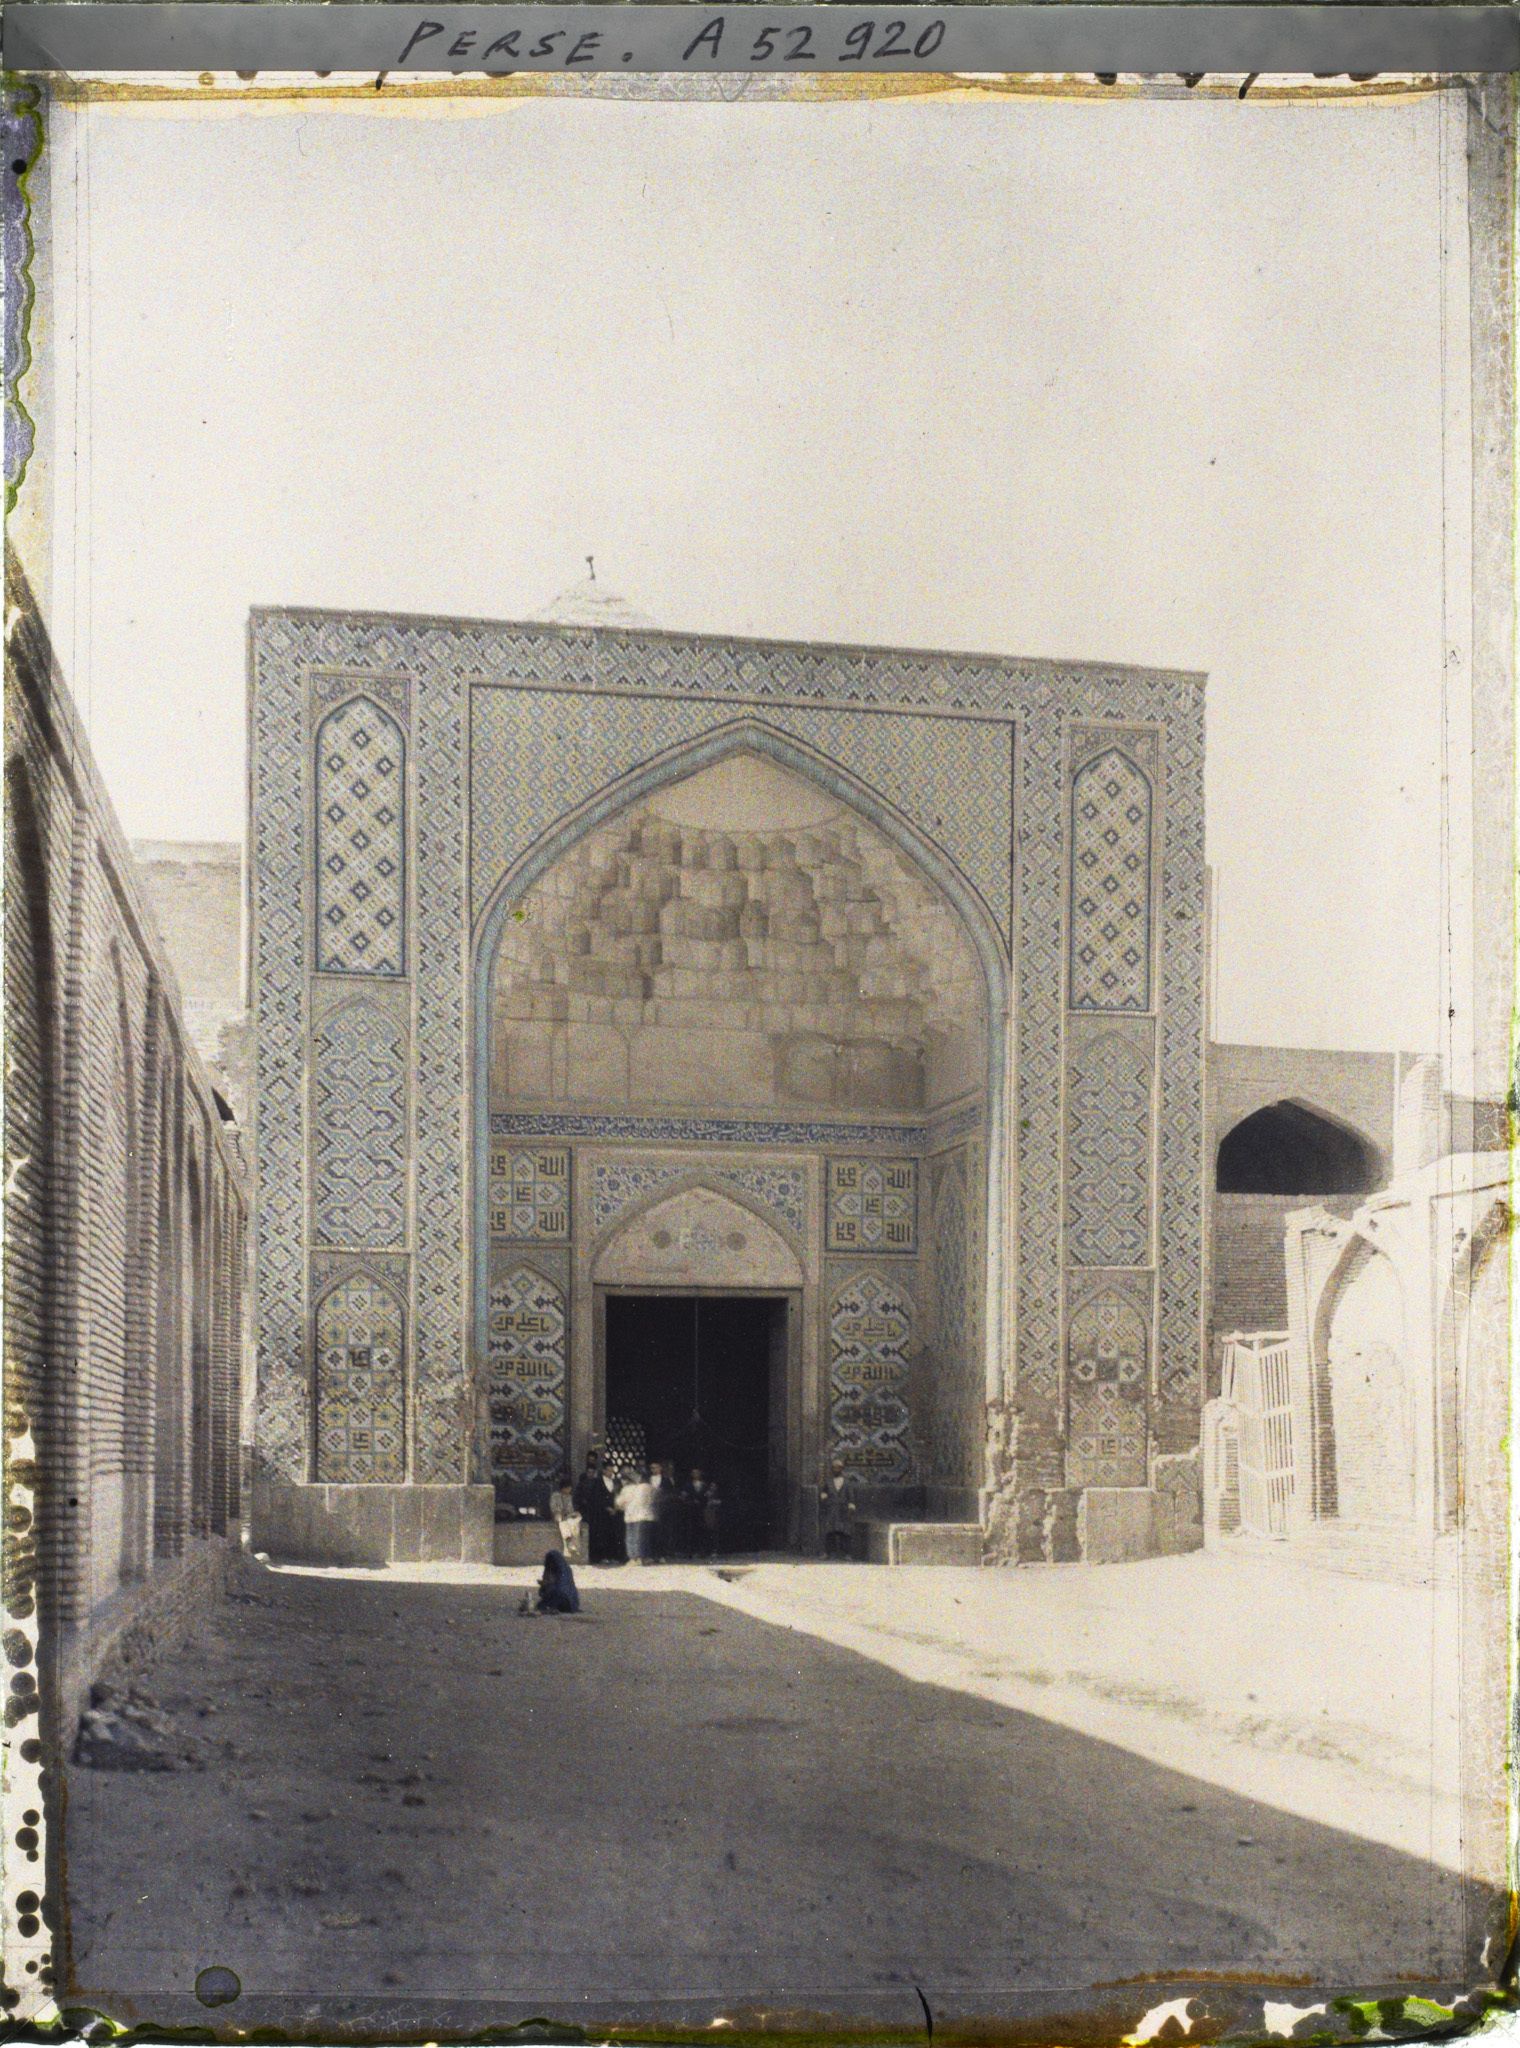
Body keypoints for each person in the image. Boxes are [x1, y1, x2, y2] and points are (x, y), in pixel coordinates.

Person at [573, 1451, 617, 1564]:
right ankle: (600, 1557)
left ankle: (611, 1556)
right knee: (599, 1535)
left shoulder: (613, 1482)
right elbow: (595, 1497)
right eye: (609, 1470)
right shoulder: (595, 1482)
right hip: (598, 1513)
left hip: (610, 1513)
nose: (611, 1473)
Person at [616, 1466, 659, 1564]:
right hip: (645, 1515)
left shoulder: (627, 1489)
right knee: (642, 1538)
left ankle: (635, 1558)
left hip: (632, 1515)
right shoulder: (648, 1487)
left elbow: (619, 1503)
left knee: (632, 1537)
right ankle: (643, 1557)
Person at [818, 1458, 859, 1560]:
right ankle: (827, 1553)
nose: (835, 1470)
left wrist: (851, 1507)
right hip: (831, 1510)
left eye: (838, 1468)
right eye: (834, 1468)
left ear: (841, 1469)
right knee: (829, 1532)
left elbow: (851, 1496)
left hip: (843, 1511)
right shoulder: (828, 1482)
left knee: (845, 1533)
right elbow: (824, 1493)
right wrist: (824, 1499)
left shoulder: (847, 1482)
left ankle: (847, 1554)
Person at [549, 1469, 582, 1563]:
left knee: (574, 1521)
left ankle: (572, 1544)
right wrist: (560, 1512)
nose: (569, 1490)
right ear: (563, 1488)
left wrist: (571, 1514)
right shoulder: (555, 1496)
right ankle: (567, 1537)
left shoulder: (569, 1497)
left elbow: (570, 1509)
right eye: (568, 1488)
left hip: (567, 1515)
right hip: (557, 1515)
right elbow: (553, 1508)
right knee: (561, 1521)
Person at [535, 1549, 580, 1614]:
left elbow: (562, 1589)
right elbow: (542, 1592)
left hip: (567, 1602)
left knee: (555, 1597)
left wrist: (548, 1585)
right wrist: (544, 1585)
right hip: (565, 1600)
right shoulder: (551, 1570)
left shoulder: (563, 1571)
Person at [650, 1460, 679, 1561]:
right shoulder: (647, 1480)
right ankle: (651, 1555)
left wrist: (662, 1497)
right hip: (650, 1509)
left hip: (662, 1509)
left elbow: (671, 1494)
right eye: (652, 1468)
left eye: (656, 1467)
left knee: (662, 1532)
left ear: (660, 1468)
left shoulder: (666, 1480)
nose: (654, 1470)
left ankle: (662, 1554)